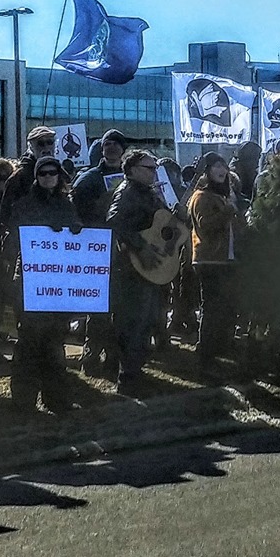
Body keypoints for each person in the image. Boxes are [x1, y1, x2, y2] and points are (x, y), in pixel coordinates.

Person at [8, 156, 81, 402]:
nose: (48, 177)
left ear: (59, 175)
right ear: (36, 177)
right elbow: (16, 237)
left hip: (58, 281)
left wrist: (75, 229)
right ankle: (23, 399)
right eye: (43, 173)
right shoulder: (24, 204)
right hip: (30, 279)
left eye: (52, 173)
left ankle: (56, 397)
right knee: (29, 339)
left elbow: (76, 236)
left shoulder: (66, 203)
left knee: (55, 340)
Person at [106, 149, 172, 391]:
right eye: (149, 168)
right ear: (132, 170)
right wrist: (141, 247)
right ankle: (128, 378)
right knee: (133, 322)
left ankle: (135, 372)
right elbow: (114, 222)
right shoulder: (127, 193)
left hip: (148, 269)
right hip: (132, 269)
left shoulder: (147, 193)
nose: (154, 172)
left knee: (146, 321)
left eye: (155, 168)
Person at [71, 132, 129, 374]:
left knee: (121, 306)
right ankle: (92, 355)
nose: (112, 147)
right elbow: (74, 210)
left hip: (126, 252)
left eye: (117, 143)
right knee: (98, 306)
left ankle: (114, 357)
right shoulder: (89, 179)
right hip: (97, 249)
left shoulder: (134, 177)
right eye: (107, 143)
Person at [188, 152, 244, 378]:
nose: (222, 170)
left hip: (226, 260)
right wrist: (230, 210)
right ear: (208, 171)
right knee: (211, 310)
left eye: (224, 166)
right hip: (209, 260)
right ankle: (205, 354)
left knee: (225, 308)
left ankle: (221, 350)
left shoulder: (224, 195)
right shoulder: (202, 196)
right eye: (216, 166)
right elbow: (206, 226)